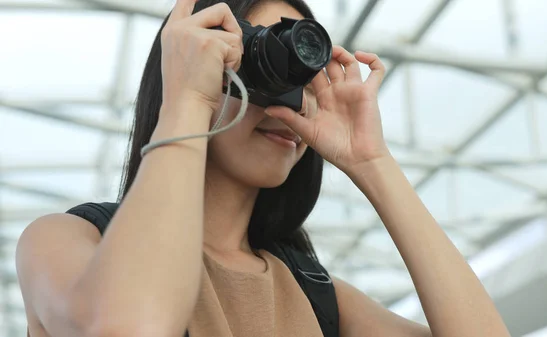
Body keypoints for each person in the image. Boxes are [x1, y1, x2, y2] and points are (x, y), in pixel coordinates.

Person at [15, 0, 511, 336]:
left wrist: (372, 162)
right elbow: (128, 326)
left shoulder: (315, 295)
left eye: (306, 77)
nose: (290, 98)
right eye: (262, 56)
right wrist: (188, 98)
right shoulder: (66, 241)